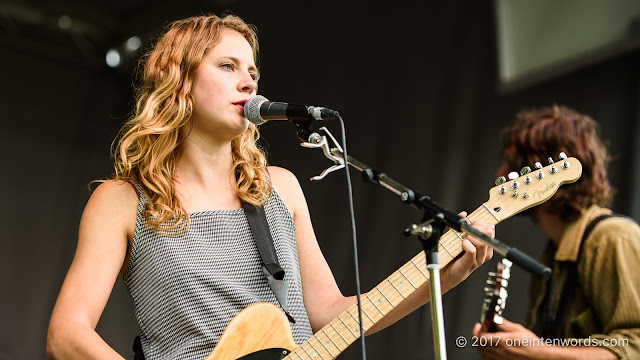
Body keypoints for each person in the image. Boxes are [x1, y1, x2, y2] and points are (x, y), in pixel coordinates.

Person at [46, 13, 494, 360]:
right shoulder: (123, 201)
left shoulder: (277, 188)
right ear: (178, 81)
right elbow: (67, 334)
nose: (248, 81)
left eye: (253, 71)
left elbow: (328, 315)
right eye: (227, 66)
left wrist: (444, 276)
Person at [472, 104, 640, 359]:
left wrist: (538, 352)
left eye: (512, 164)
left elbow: (636, 347)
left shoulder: (614, 238)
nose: (500, 174)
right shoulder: (551, 256)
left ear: (540, 170)